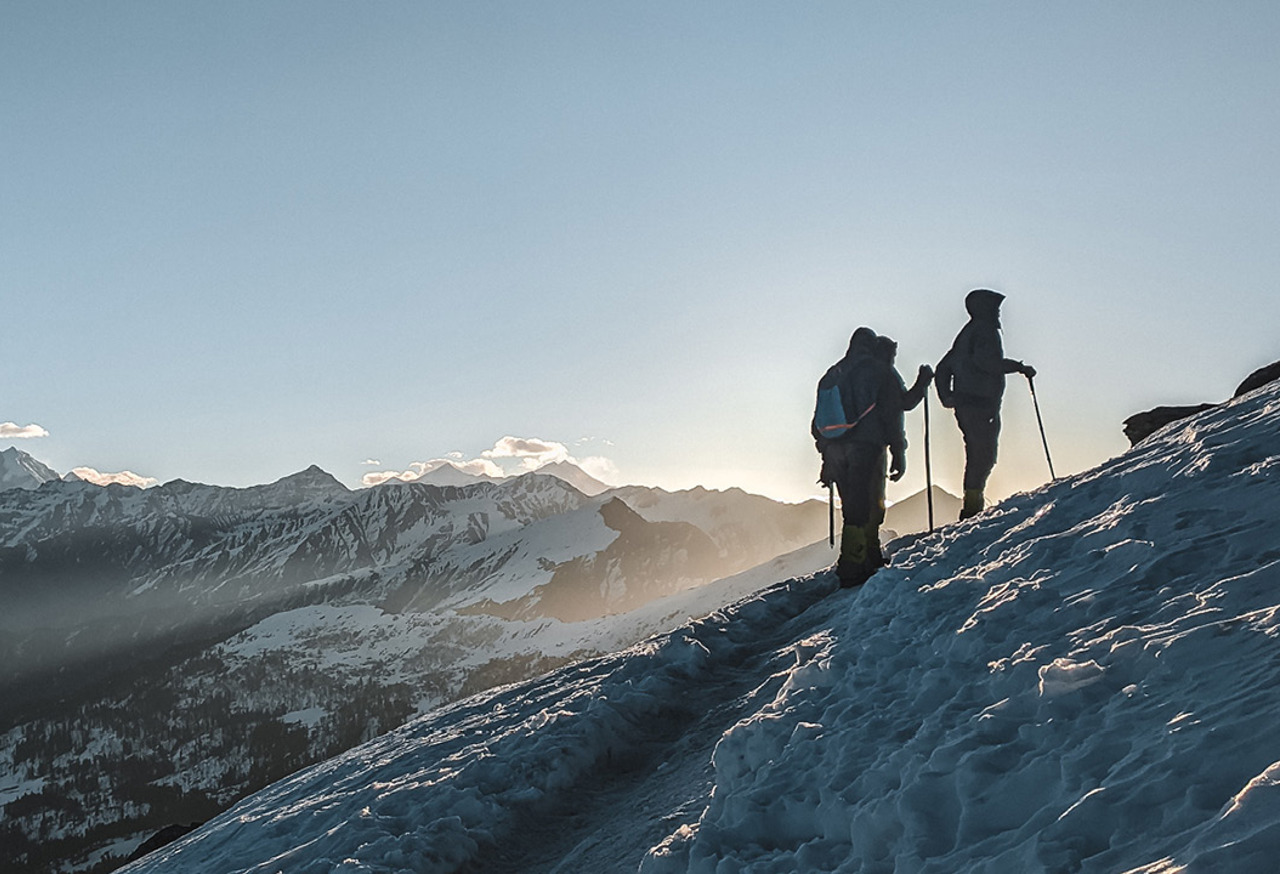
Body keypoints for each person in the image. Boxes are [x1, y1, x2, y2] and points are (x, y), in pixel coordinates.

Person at [812, 328, 910, 587]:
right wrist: (899, 451)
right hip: (866, 446)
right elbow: (896, 409)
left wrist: (825, 453)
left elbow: (817, 423)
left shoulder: (832, 373)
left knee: (852, 504)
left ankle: (864, 556)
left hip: (834, 450)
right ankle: (854, 564)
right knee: (866, 503)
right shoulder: (879, 370)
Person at [934, 289, 1035, 520]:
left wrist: (947, 397)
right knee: (983, 454)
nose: (997, 312)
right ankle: (972, 508)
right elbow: (987, 363)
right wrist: (1019, 367)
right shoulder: (984, 331)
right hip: (980, 405)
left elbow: (943, 367)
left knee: (978, 453)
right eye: (994, 308)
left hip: (968, 405)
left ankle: (972, 503)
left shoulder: (966, 334)